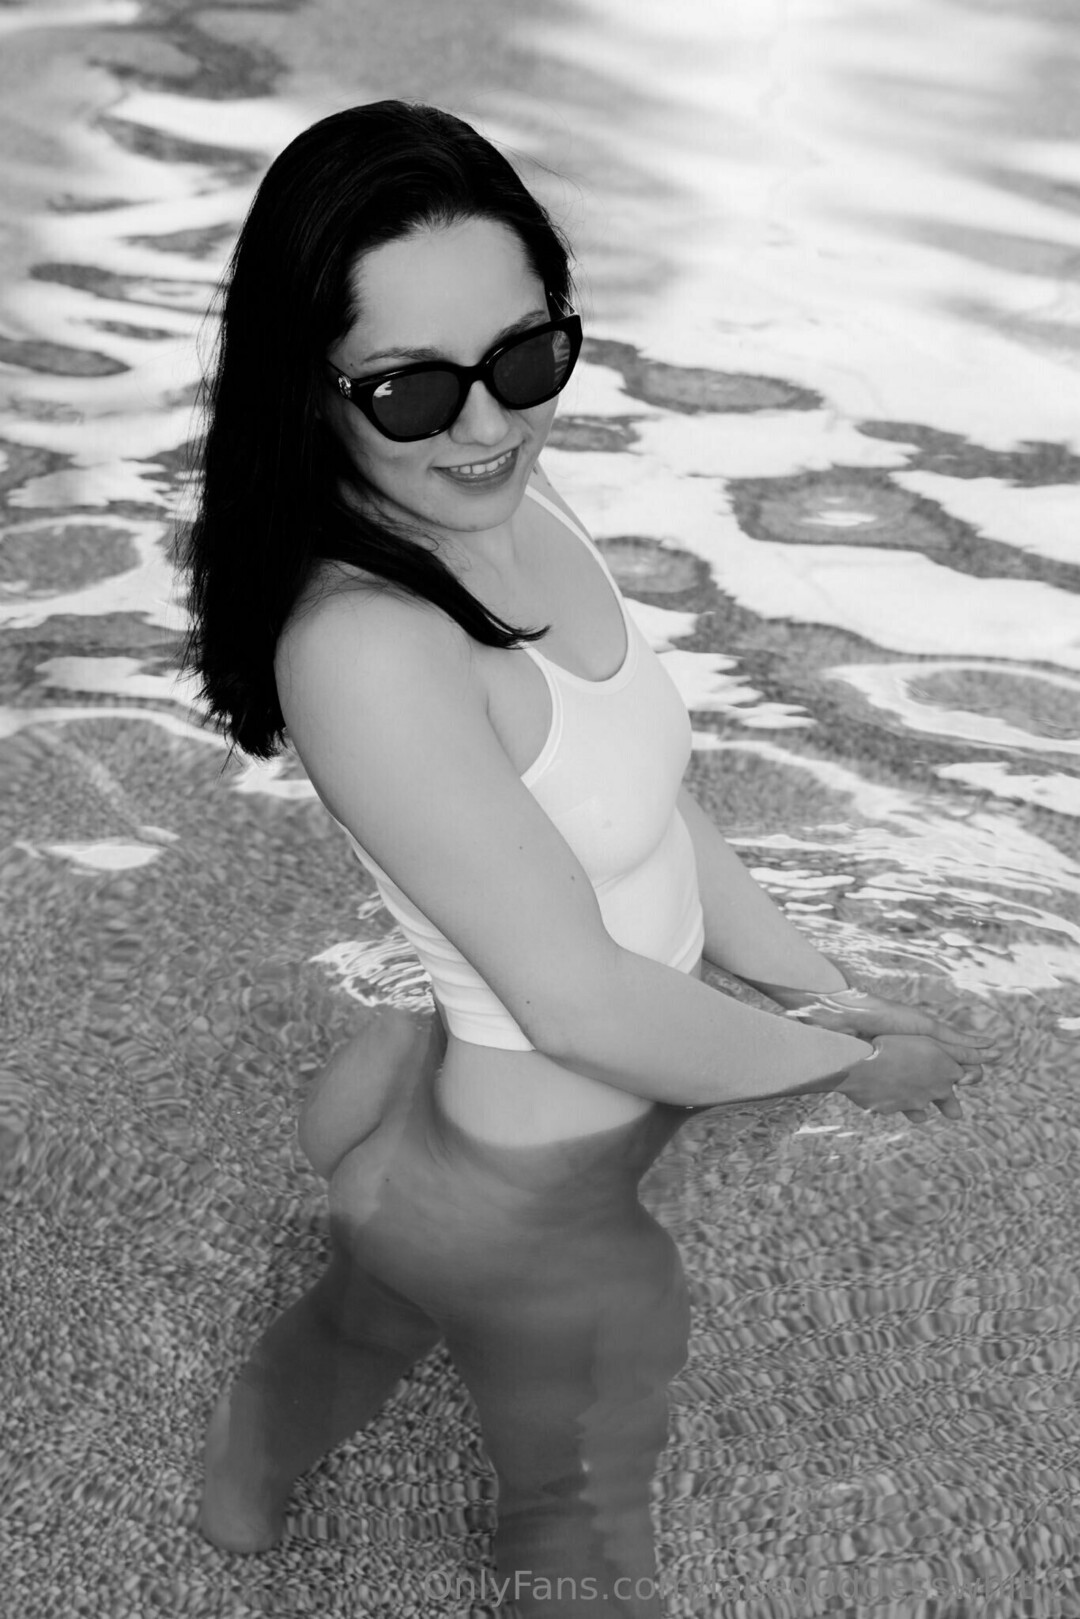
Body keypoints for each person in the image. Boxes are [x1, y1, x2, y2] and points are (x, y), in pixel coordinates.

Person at [179, 101, 990, 1617]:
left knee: (374, 1315)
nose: (486, 425)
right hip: (526, 1192)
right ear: (311, 386)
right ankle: (245, 1482)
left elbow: (646, 804)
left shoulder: (508, 496)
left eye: (524, 357)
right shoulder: (368, 648)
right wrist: (842, 1068)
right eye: (411, 389)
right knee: (580, 1526)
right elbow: (576, 1001)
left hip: (528, 1128)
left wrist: (824, 992)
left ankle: (250, 1477)